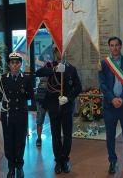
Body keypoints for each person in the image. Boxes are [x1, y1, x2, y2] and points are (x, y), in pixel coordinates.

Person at [36, 45, 82, 174]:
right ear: (54, 52)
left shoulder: (71, 69)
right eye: (57, 51)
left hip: (66, 106)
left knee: (67, 135)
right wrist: (54, 69)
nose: (59, 54)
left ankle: (65, 159)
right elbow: (38, 73)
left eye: (62, 51)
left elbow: (78, 87)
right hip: (53, 105)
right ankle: (58, 160)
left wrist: (69, 98)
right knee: (55, 134)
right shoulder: (50, 65)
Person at [98, 36, 123, 174]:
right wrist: (112, 99)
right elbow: (102, 84)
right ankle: (112, 162)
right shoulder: (104, 63)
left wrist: (121, 98)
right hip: (110, 106)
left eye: (116, 45)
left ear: (120, 46)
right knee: (110, 136)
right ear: (109, 47)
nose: (114, 48)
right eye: (112, 45)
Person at [0, 52, 34, 178]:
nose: (15, 65)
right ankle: (11, 167)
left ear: (21, 64)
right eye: (12, 63)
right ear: (8, 64)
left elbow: (30, 96)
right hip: (7, 115)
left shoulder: (26, 78)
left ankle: (19, 167)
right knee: (9, 142)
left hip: (21, 114)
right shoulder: (2, 78)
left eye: (17, 63)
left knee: (20, 141)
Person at [35, 76, 48, 147]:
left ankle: (56, 138)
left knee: (55, 120)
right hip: (41, 100)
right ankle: (39, 138)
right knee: (39, 120)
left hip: (51, 100)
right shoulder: (42, 72)